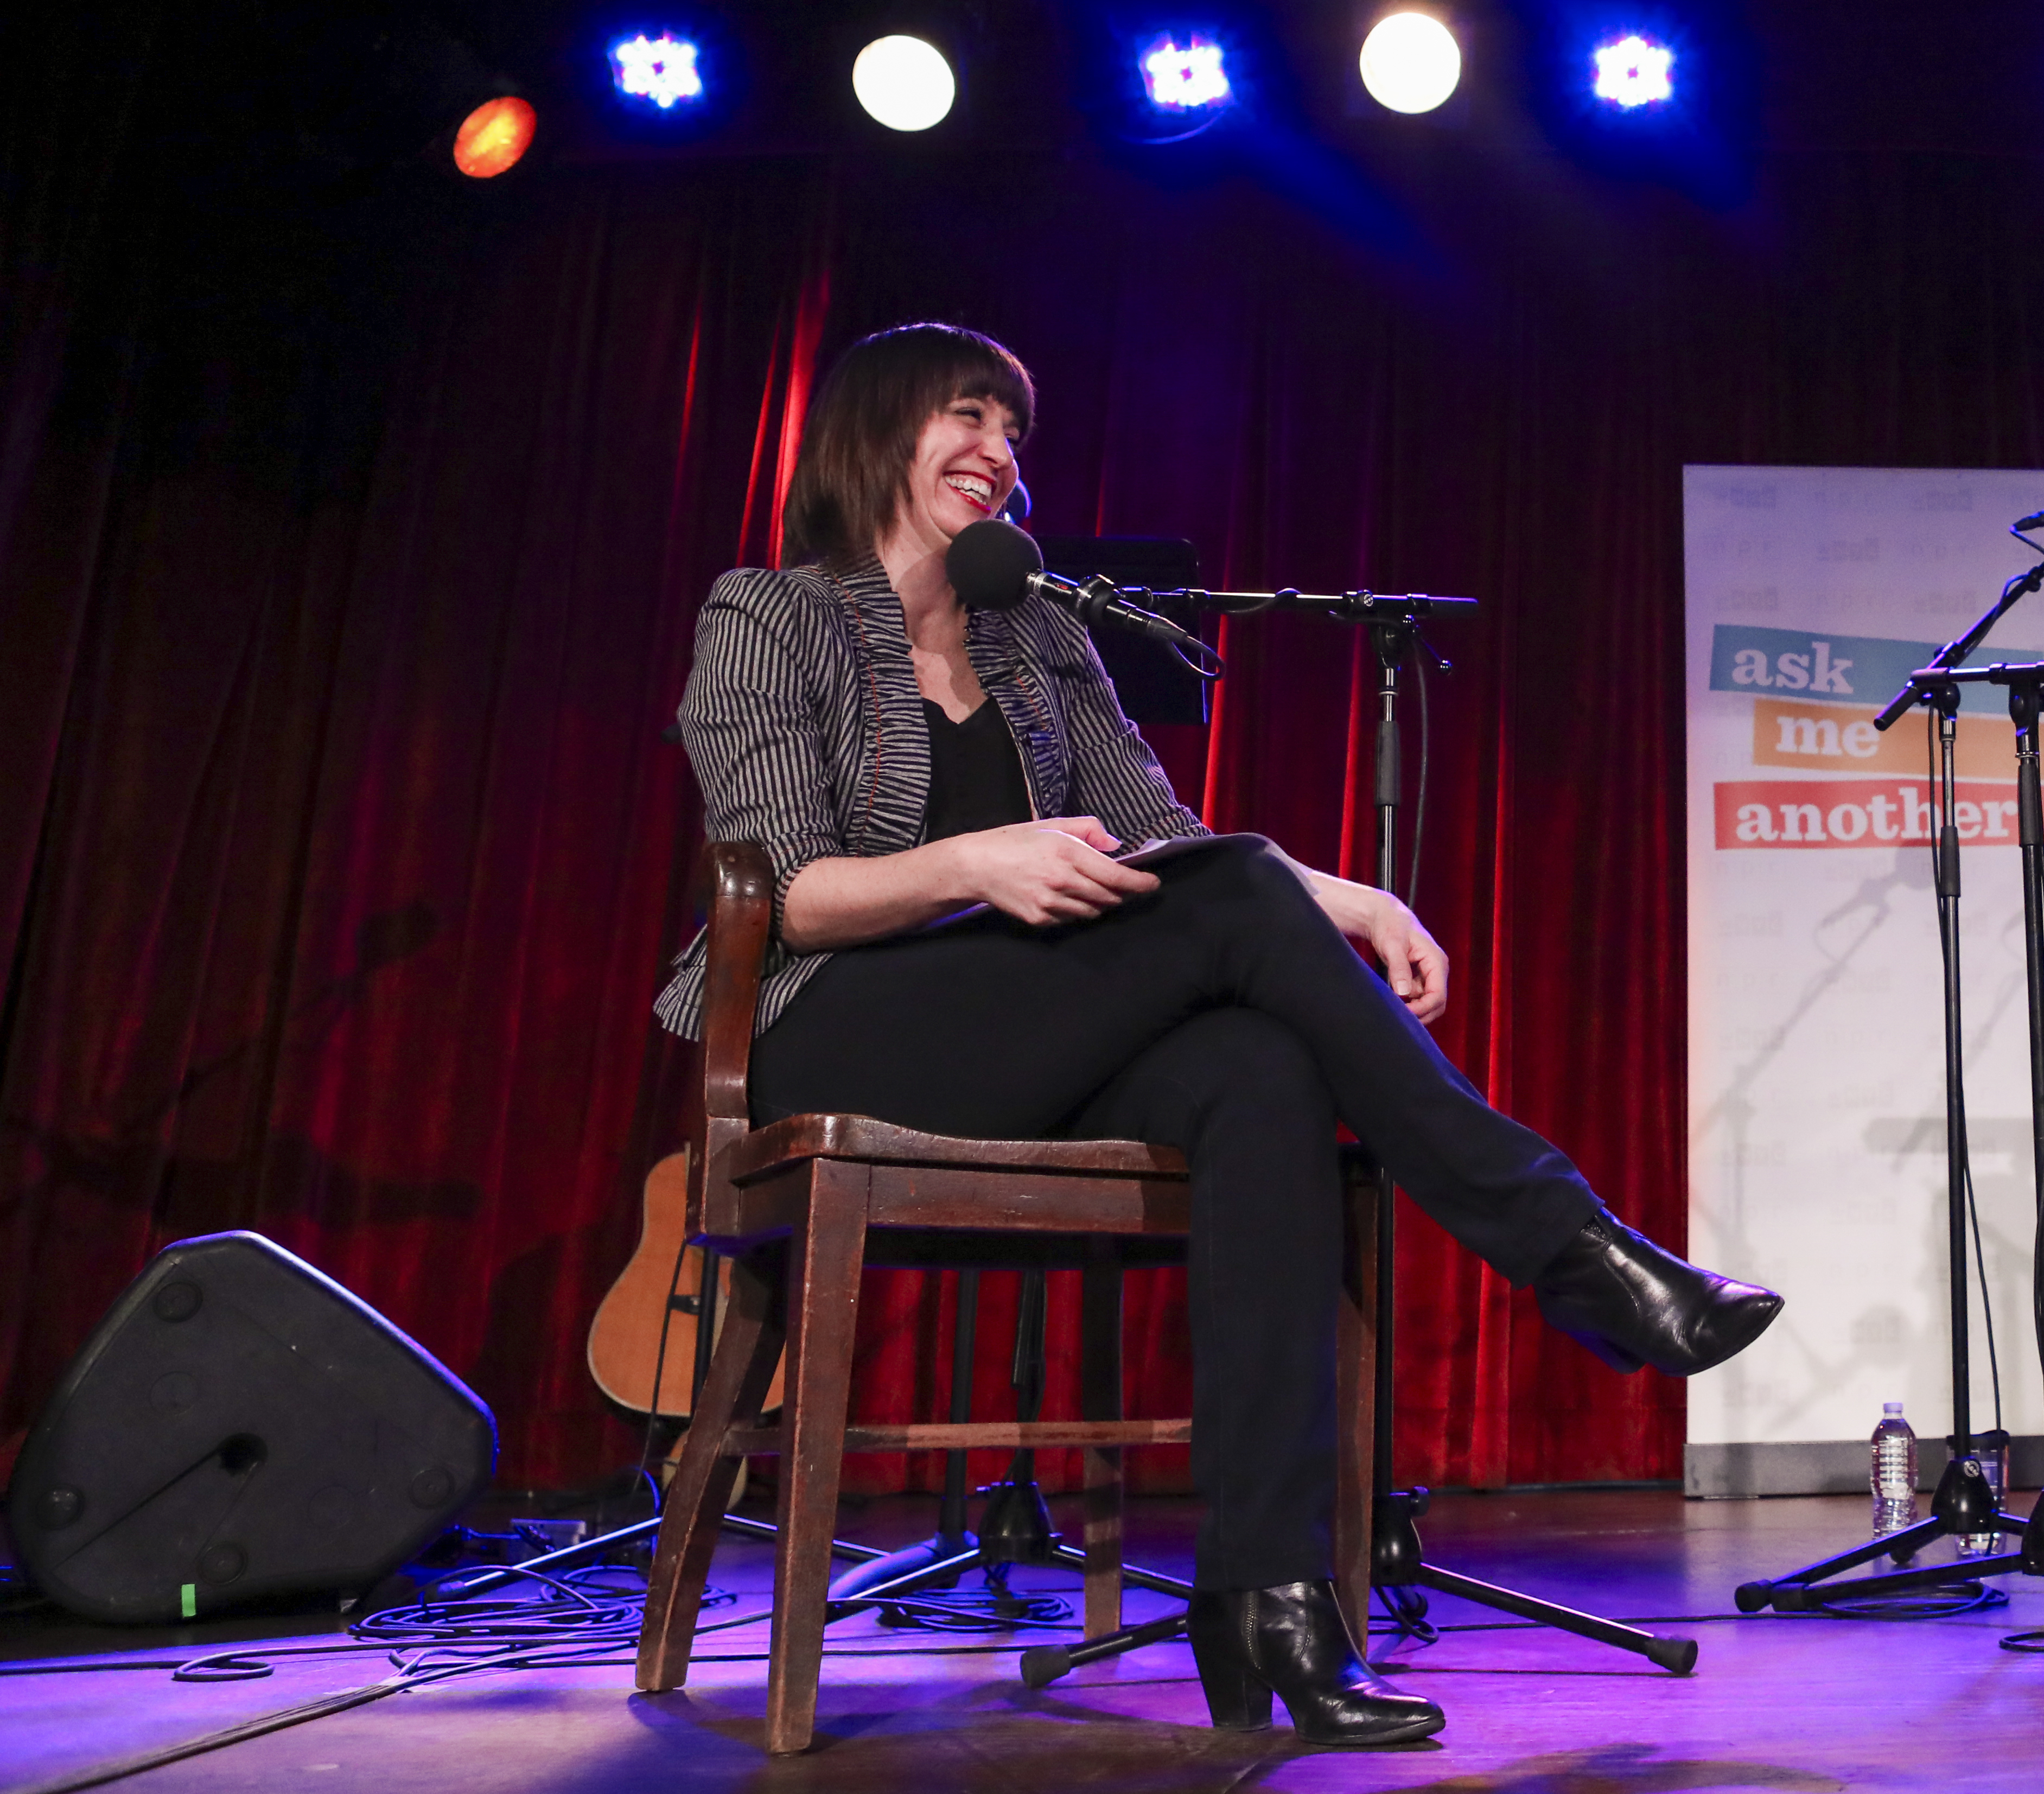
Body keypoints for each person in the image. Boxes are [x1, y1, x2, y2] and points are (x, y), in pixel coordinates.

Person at [651, 323, 1780, 1748]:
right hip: (841, 1026)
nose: (999, 451)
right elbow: (785, 888)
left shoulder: (1038, 633)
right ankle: (1570, 1253)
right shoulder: (770, 612)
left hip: (1031, 1030)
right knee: (1242, 917)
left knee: (1264, 1069)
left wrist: (1354, 897)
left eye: (1012, 427)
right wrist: (972, 863)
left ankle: (1270, 1601)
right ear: (877, 432)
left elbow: (1176, 846)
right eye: (967, 415)